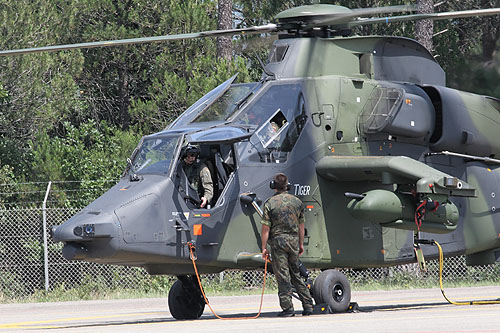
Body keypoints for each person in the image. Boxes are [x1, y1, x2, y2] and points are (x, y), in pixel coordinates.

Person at [260, 173, 313, 317]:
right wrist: (301, 244)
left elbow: (266, 228)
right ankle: (308, 304)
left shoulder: (269, 204)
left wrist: (264, 247)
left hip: (278, 243)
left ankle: (288, 308)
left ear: (274, 186)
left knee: (283, 275)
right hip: (293, 242)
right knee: (295, 274)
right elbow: (301, 226)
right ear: (287, 186)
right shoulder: (297, 203)